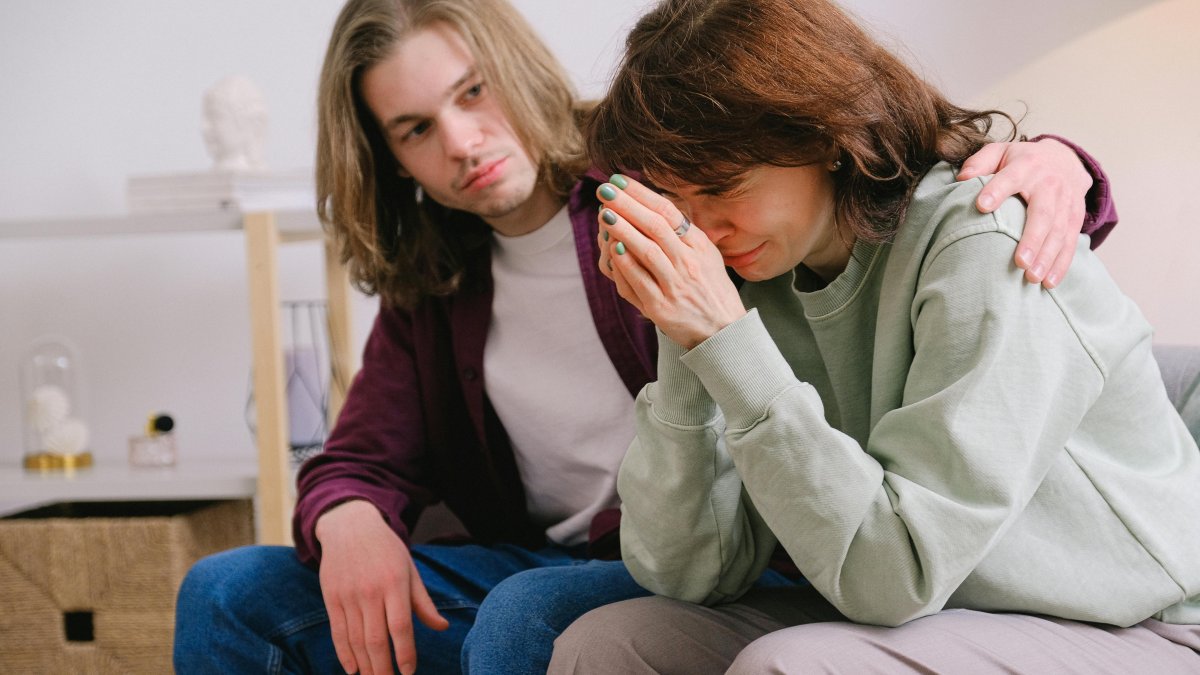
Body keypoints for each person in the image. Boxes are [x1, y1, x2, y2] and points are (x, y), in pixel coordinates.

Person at [172, 0, 1118, 673]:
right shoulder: (439, 274)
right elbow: (360, 453)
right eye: (416, 129)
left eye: (474, 91)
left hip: (738, 545)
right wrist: (346, 520)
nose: (461, 141)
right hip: (556, 554)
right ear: (390, 158)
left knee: (528, 615)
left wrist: (1060, 163)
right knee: (226, 591)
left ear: (517, 68)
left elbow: (871, 154)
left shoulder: (662, 171)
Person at [546, 0, 1200, 672]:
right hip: (930, 607)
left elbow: (896, 572)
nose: (702, 229)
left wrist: (726, 337)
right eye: (675, 201)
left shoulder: (982, 242)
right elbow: (686, 572)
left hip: (1136, 622)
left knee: (791, 665)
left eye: (720, 186)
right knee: (607, 645)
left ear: (823, 136)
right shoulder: (749, 268)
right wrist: (687, 336)